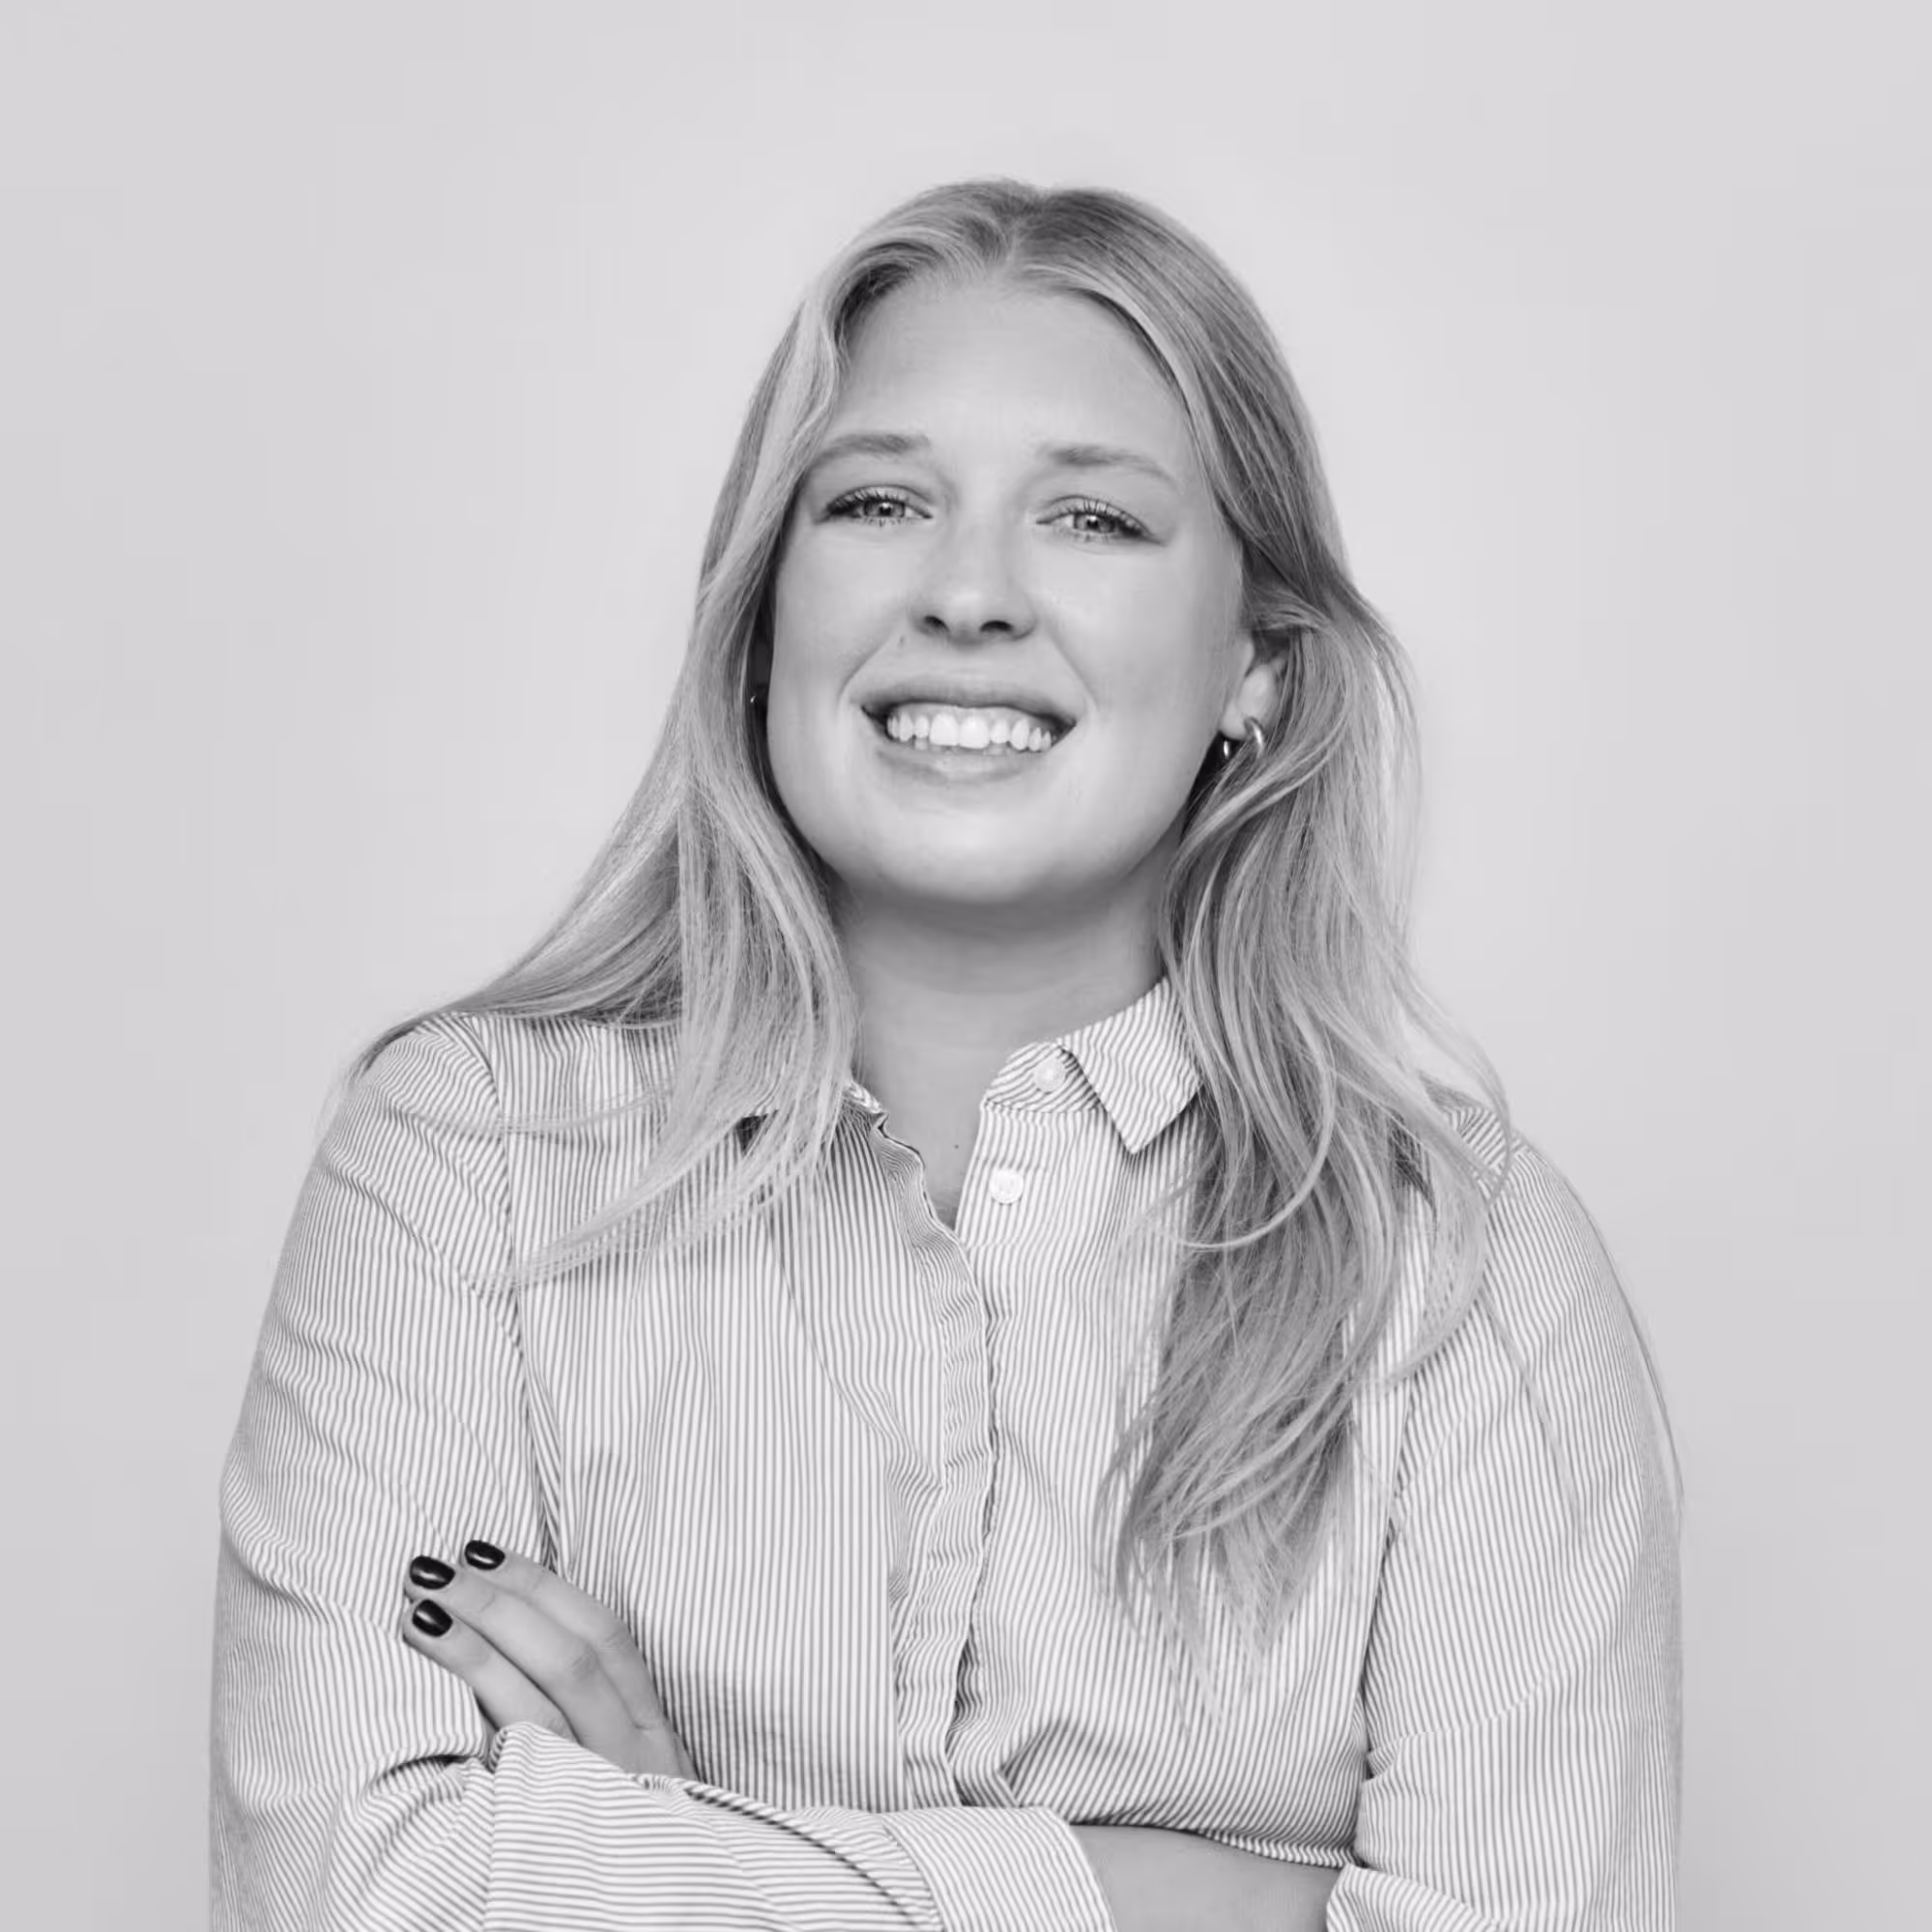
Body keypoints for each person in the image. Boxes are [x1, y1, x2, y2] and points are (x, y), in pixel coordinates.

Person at [212, 179, 1681, 1930]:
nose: (968, 591)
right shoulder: (459, 1160)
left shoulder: (1467, 1274)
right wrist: (1209, 1902)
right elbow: (343, 1895)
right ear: (764, 616)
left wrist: (661, 1851)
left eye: (1094, 520)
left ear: (1257, 674)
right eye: (880, 500)